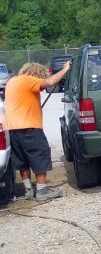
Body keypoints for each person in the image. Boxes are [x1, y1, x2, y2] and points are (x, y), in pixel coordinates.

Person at [5, 61, 71, 201]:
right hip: (29, 127)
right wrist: (65, 69)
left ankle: (28, 190)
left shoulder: (12, 82)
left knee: (22, 159)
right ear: (37, 74)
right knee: (40, 154)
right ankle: (42, 191)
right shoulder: (29, 79)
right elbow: (49, 82)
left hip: (12, 128)